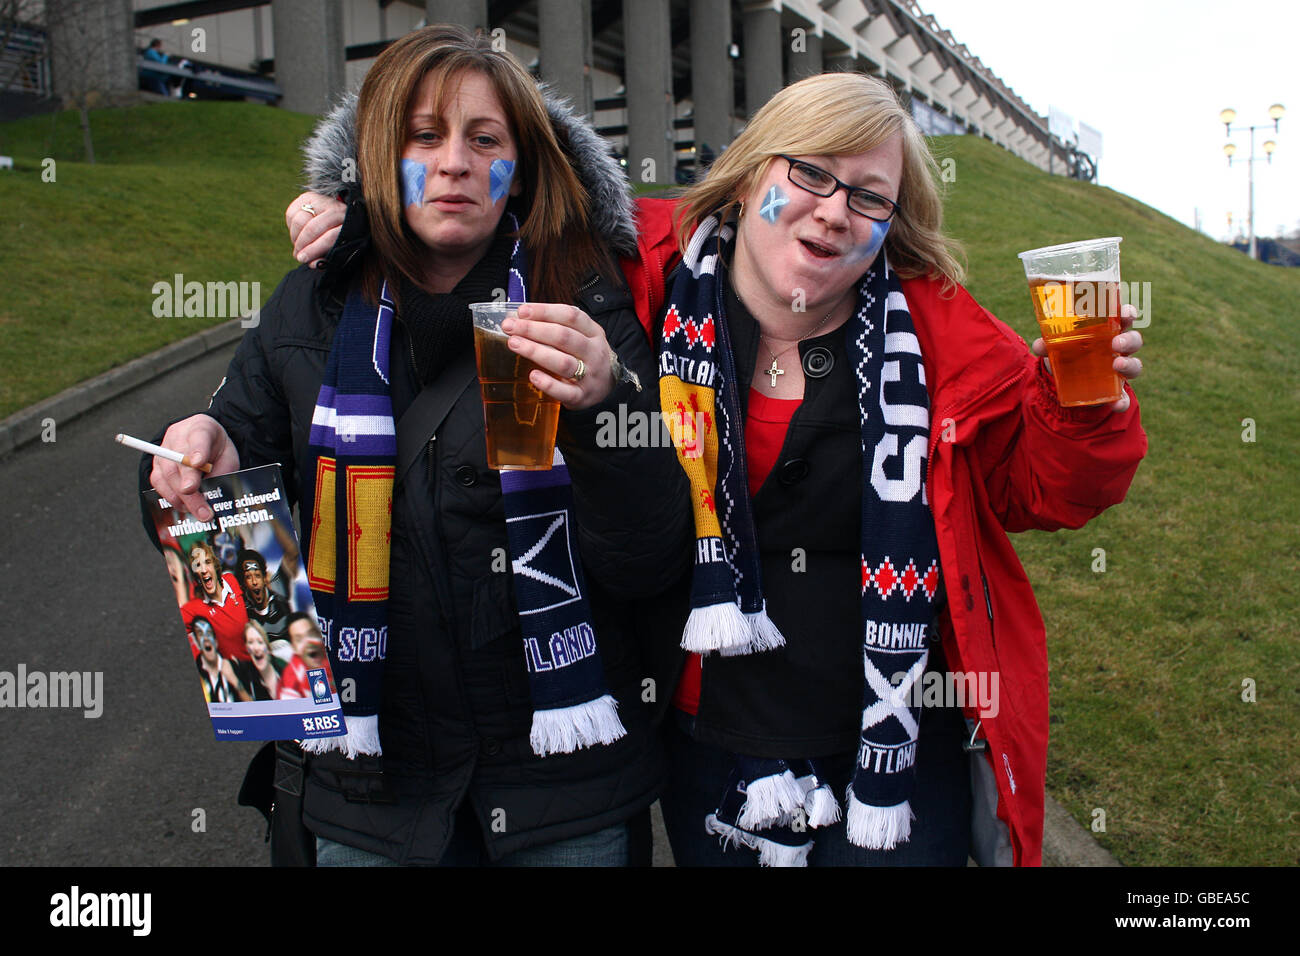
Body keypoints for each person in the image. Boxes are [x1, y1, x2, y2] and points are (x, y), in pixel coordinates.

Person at [284, 72, 1146, 867]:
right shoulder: (645, 273)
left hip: (894, 741)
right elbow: (492, 159)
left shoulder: (939, 337)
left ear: (894, 221)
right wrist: (355, 197)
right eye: (807, 173)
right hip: (709, 744)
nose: (833, 211)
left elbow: (1044, 493)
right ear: (746, 176)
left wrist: (1085, 410)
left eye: (868, 196)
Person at [143, 24, 689, 867]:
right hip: (369, 793)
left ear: (522, 167)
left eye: (485, 139)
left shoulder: (582, 303)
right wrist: (191, 466)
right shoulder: (307, 307)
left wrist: (602, 405)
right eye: (423, 137)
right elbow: (212, 514)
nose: (455, 163)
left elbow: (652, 559)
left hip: (564, 790)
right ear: (376, 157)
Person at [181, 540, 251, 662]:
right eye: (197, 565)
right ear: (195, 575)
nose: (203, 570)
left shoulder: (231, 581)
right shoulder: (193, 609)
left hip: (257, 659)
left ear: (215, 565)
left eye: (207, 562)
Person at [231, 620, 284, 701]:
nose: (256, 648)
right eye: (250, 642)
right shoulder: (250, 683)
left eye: (260, 642)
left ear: (268, 647)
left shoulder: (284, 669)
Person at [194, 618, 242, 703]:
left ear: (216, 641)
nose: (205, 638)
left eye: (208, 633)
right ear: (197, 642)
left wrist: (234, 681)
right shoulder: (198, 673)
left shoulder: (233, 666)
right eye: (200, 633)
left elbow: (251, 705)